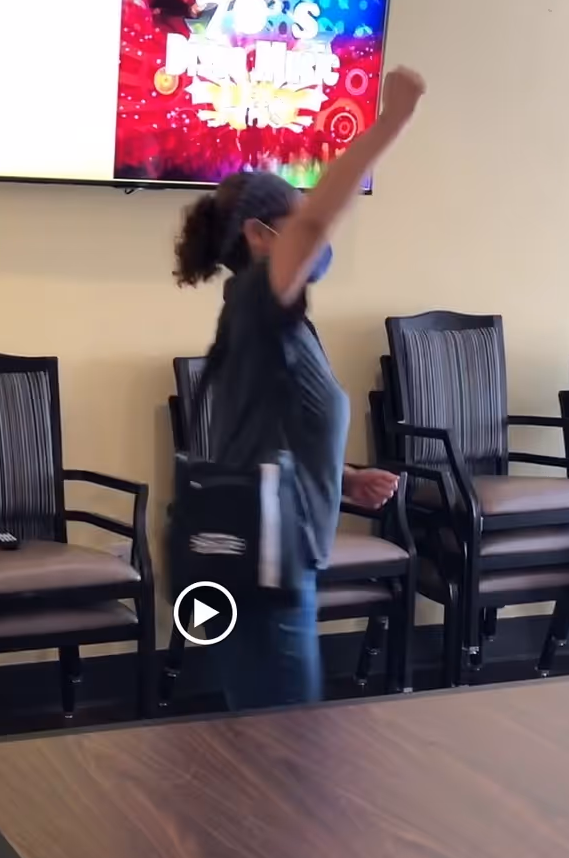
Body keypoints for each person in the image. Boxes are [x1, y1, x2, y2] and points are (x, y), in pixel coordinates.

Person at [173, 65, 426, 711]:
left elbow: (258, 437)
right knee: (286, 759)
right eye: (294, 217)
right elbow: (315, 224)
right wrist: (391, 122)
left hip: (281, 561)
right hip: (269, 573)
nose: (315, 233)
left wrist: (341, 477)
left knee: (273, 754)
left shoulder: (270, 321)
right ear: (261, 236)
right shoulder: (259, 299)